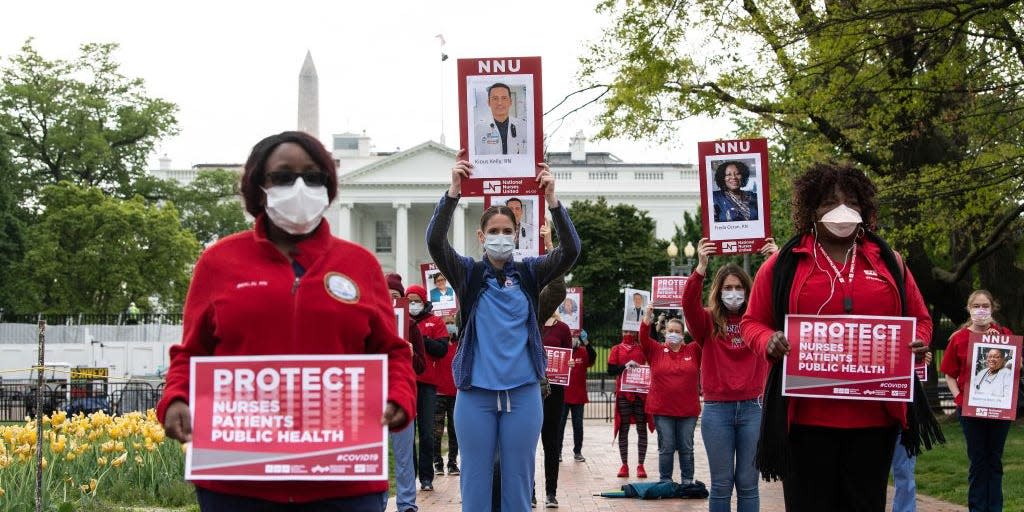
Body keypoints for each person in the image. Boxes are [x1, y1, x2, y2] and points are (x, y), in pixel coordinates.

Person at [157, 131, 416, 511]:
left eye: (313, 177)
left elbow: (392, 351)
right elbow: (191, 352)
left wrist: (399, 397)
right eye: (283, 176)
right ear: (259, 186)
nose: (300, 186)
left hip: (343, 480)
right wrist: (176, 398)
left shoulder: (359, 265)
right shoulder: (218, 262)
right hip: (238, 481)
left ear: (327, 186)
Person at [740, 162, 933, 511]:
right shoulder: (784, 263)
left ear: (865, 209)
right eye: (829, 202)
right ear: (810, 210)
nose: (842, 210)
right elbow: (753, 321)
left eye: (851, 202)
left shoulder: (889, 261)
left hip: (874, 419)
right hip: (805, 419)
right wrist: (768, 340)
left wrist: (917, 342)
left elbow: (920, 318)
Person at [425, 149, 580, 512]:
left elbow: (571, 250)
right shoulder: (468, 273)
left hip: (523, 395)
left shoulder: (530, 272)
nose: (500, 237)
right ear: (481, 236)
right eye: (493, 232)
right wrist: (452, 193)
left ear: (517, 234)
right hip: (475, 395)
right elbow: (435, 242)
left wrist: (553, 200)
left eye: (507, 231)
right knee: (475, 484)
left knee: (518, 484)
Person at [683, 237, 776, 512]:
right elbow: (688, 305)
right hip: (717, 412)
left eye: (738, 287)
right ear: (719, 291)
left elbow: (782, 297)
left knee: (748, 483)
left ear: (748, 291)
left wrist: (776, 261)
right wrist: (700, 267)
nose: (733, 292)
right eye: (727, 288)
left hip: (753, 409)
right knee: (721, 484)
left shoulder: (758, 321)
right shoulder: (707, 322)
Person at [940, 290, 1015, 512]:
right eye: (976, 306)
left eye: (985, 306)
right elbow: (949, 374)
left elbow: (1016, 367)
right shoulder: (958, 338)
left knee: (995, 460)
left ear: (993, 308)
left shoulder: (1004, 334)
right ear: (969, 309)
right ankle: (977, 508)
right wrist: (958, 398)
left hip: (999, 410)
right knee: (978, 461)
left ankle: (995, 508)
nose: (981, 310)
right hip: (970, 410)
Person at [638, 304, 701, 484]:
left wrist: (694, 314)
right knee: (666, 447)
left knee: (686, 447)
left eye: (677, 331)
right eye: (670, 330)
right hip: (662, 409)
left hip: (688, 410)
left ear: (683, 334)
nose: (673, 333)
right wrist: (648, 316)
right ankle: (665, 481)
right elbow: (643, 338)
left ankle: (687, 482)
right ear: (665, 332)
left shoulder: (694, 350)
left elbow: (705, 336)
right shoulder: (656, 350)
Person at [387, 274, 428, 512]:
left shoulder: (411, 326)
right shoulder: (371, 321)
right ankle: (379, 501)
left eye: (396, 296)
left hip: (402, 397)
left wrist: (411, 354)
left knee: (404, 456)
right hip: (376, 398)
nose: (391, 300)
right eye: (387, 295)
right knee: (378, 456)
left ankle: (406, 503)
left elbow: (422, 365)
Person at [406, 284, 450, 492]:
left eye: (416, 300)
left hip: (428, 385)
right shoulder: (400, 321)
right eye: (409, 300)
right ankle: (410, 476)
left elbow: (442, 349)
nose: (412, 304)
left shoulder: (436, 322)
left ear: (424, 301)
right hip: (405, 382)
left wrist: (420, 340)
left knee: (426, 433)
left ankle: (426, 477)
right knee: (407, 433)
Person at [536, 310, 573, 507]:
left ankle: (551, 492)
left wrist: (570, 364)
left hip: (554, 391)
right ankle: (529, 491)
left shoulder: (563, 329)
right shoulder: (531, 324)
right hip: (531, 388)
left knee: (551, 442)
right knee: (527, 445)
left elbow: (569, 356)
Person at [607, 331, 653, 479]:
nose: (629, 333)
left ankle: (641, 464)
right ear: (621, 331)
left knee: (642, 428)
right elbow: (610, 370)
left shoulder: (641, 348)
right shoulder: (616, 349)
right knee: (624, 428)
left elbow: (652, 362)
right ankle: (624, 464)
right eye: (626, 330)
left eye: (631, 330)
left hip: (640, 393)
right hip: (623, 393)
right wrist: (625, 366)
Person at [561, 329, 596, 463]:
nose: (574, 339)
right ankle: (558, 452)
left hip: (579, 396)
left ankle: (578, 451)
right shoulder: (564, 352)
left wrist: (586, 342)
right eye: (571, 337)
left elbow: (593, 357)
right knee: (560, 426)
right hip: (563, 395)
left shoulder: (583, 351)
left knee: (578, 425)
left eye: (575, 337)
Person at [432, 315, 460, 476]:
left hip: (456, 394)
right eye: (447, 323)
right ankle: (438, 463)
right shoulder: (438, 346)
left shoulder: (459, 345)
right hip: (438, 393)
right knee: (436, 431)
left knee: (454, 431)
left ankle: (452, 462)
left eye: (452, 323)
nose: (449, 326)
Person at [474, 83, 528, 155]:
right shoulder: (477, 129)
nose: (499, 103)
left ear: (510, 102)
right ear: (489, 102)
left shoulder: (524, 127)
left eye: (504, 98)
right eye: (495, 98)